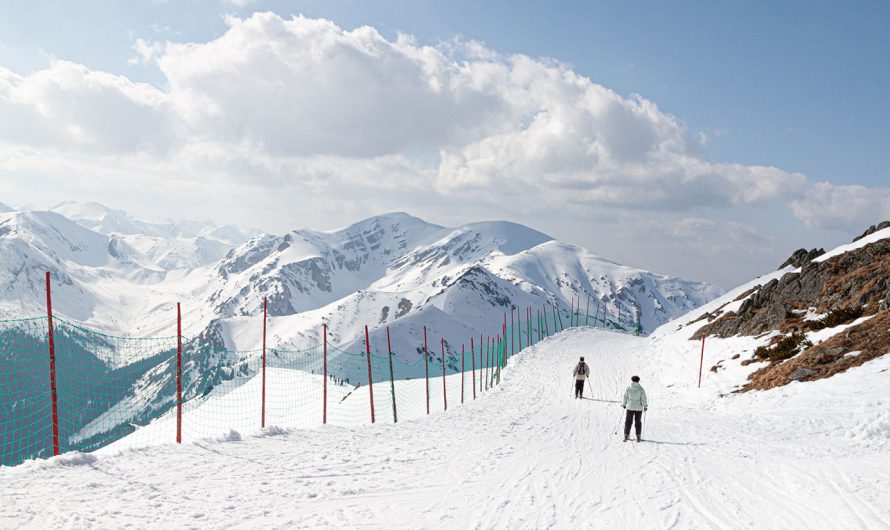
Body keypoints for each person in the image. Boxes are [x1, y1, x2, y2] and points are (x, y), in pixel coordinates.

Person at [622, 375, 648, 442]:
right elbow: (643, 399)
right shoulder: (641, 389)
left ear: (632, 380)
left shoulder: (628, 388)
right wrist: (645, 406)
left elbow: (625, 397)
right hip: (638, 408)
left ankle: (626, 435)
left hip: (630, 407)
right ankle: (638, 436)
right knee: (638, 422)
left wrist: (624, 404)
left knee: (628, 421)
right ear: (638, 381)